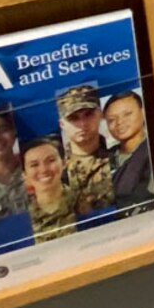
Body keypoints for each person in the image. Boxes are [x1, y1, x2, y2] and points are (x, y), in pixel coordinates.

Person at [57, 85, 115, 213]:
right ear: (62, 124)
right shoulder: (56, 168)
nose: (83, 124)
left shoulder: (116, 153)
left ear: (100, 115)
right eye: (73, 118)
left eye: (88, 114)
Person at [104, 91, 154, 209]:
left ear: (143, 112)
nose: (120, 122)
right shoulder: (104, 157)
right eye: (112, 119)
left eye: (127, 114)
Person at [23, 138, 76, 242]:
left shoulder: (84, 201)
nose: (43, 170)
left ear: (64, 163)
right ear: (24, 174)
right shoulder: (21, 219)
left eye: (51, 161)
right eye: (34, 165)